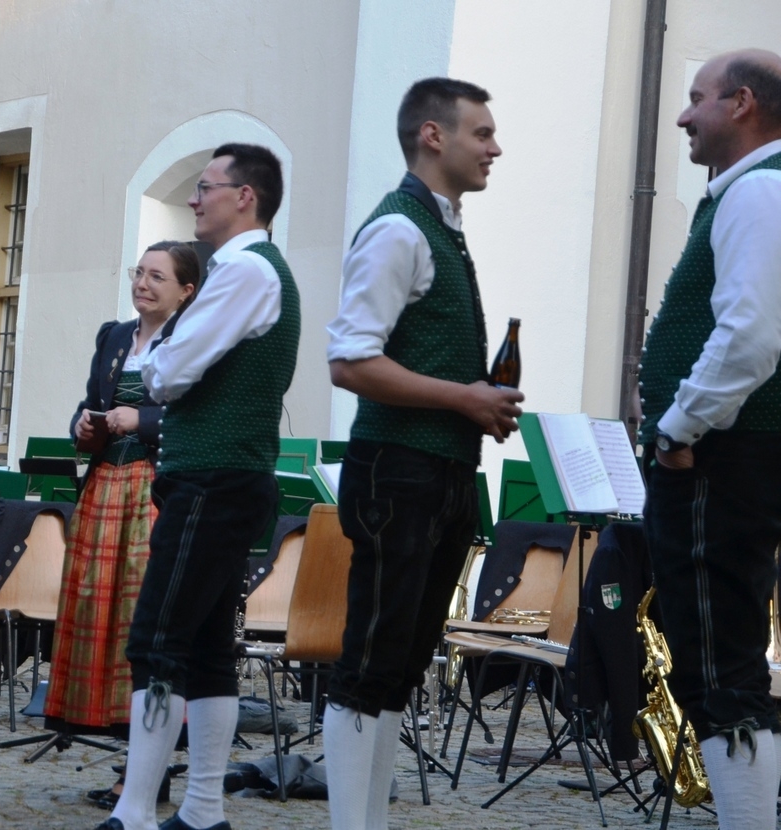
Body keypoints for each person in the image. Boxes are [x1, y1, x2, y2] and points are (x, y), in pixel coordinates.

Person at [324, 77, 523, 830]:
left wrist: (471, 403)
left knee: (401, 669)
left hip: (438, 471)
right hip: (396, 469)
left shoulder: (439, 228)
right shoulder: (398, 229)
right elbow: (349, 363)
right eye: (482, 132)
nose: (495, 147)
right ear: (433, 136)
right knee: (371, 663)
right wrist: (464, 399)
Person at [95, 143, 301, 830]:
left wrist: (161, 366)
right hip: (228, 476)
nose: (194, 197)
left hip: (214, 479)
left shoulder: (244, 270)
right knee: (209, 647)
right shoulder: (244, 270)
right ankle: (204, 811)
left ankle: (134, 812)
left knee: (158, 641)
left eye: (206, 186)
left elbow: (166, 373)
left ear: (245, 196)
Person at [638, 49, 781, 830]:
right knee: (726, 663)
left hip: (720, 457)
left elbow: (751, 337)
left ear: (743, 104)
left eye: (698, 98)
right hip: (737, 454)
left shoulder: (757, 190)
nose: (684, 115)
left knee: (721, 671)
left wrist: (677, 426)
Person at [47, 241, 199, 809]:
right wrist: (84, 427)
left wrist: (145, 420)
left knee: (144, 622)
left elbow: (198, 417)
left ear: (186, 291)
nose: (143, 283)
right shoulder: (113, 337)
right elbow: (89, 404)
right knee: (102, 620)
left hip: (155, 493)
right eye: (140, 273)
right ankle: (135, 760)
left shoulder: (193, 339)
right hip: (105, 490)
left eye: (158, 277)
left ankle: (147, 769)